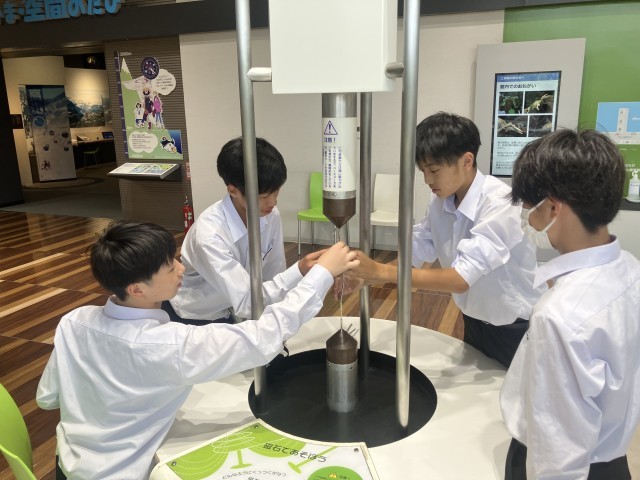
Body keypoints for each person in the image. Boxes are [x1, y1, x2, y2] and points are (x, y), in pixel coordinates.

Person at [36, 221, 358, 479]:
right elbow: (262, 337)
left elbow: (47, 398)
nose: (181, 269)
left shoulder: (73, 322)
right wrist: (322, 275)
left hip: (66, 466)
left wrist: (298, 271)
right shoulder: (168, 346)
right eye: (169, 267)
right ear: (137, 289)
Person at [344, 112, 545, 367]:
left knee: (511, 390)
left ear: (466, 161)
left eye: (434, 170)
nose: (427, 180)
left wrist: (379, 271)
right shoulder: (441, 200)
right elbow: (417, 251)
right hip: (474, 318)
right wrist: (367, 277)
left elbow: (460, 279)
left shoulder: (500, 204)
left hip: (516, 328)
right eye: (423, 171)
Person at [500, 129, 640, 479]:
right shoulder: (631, 268)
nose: (526, 218)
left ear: (552, 208)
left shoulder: (558, 316)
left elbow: (557, 454)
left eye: (528, 208)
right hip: (612, 458)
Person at [167, 137, 322, 325]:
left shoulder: (270, 215)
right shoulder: (209, 235)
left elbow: (273, 273)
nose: (273, 202)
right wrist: (300, 270)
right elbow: (248, 300)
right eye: (263, 196)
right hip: (200, 315)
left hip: (239, 308)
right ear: (233, 191)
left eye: (276, 192)